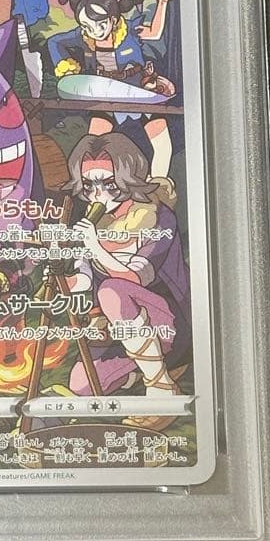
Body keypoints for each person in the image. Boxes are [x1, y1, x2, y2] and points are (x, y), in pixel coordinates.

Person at [61, 131, 190, 399]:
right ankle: (142, 371)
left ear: (128, 177)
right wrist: (63, 280)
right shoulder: (95, 222)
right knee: (82, 384)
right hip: (120, 332)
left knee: (112, 290)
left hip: (170, 324)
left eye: (108, 184)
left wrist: (95, 246)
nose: (98, 194)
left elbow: (134, 278)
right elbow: (84, 278)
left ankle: (161, 385)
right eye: (89, 186)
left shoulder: (157, 216)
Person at [47, 0, 176, 177]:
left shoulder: (129, 30)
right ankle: (93, 183)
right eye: (86, 26)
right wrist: (66, 66)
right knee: (92, 145)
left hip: (138, 91)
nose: (92, 31)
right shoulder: (83, 36)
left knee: (161, 142)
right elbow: (54, 42)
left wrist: (162, 2)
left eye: (98, 25)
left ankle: (159, 182)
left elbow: (155, 33)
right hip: (104, 94)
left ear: (113, 20)